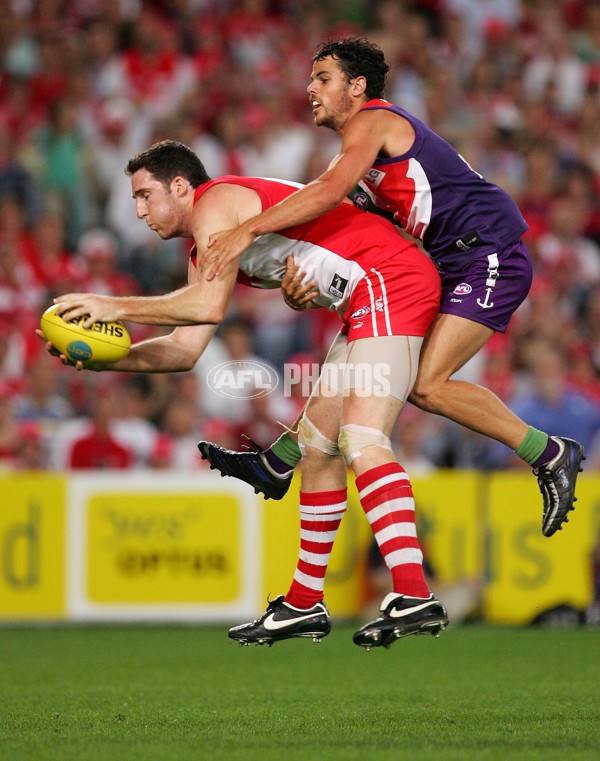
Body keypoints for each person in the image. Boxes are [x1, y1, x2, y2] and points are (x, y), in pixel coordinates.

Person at [43, 139, 446, 649]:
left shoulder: (216, 201)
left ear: (182, 186)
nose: (139, 210)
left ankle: (412, 591)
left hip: (391, 280)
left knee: (361, 436)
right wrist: (108, 359)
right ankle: (304, 603)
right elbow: (187, 348)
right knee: (318, 448)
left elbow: (207, 307)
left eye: (145, 195)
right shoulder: (203, 248)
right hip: (367, 296)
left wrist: (114, 306)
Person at [197, 37, 585, 539]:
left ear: (357, 87)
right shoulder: (362, 149)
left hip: (488, 255)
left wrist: (246, 229)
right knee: (365, 349)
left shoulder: (373, 121)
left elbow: (327, 192)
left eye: (323, 79)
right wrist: (302, 285)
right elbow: (346, 227)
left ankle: (550, 453)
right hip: (451, 264)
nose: (309, 88)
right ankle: (279, 461)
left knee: (425, 384)